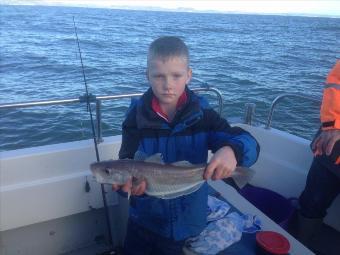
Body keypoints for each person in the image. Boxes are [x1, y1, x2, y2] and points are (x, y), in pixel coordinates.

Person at [112, 36, 260, 255]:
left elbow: (249, 142)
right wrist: (132, 189)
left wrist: (232, 151)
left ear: (189, 75)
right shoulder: (136, 117)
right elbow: (126, 158)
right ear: (148, 76)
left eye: (176, 76)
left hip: (188, 221)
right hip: (144, 219)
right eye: (159, 76)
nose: (168, 84)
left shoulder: (203, 115)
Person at [292, 60, 340, 250]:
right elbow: (335, 84)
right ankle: (299, 246)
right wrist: (333, 126)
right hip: (330, 150)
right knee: (311, 202)